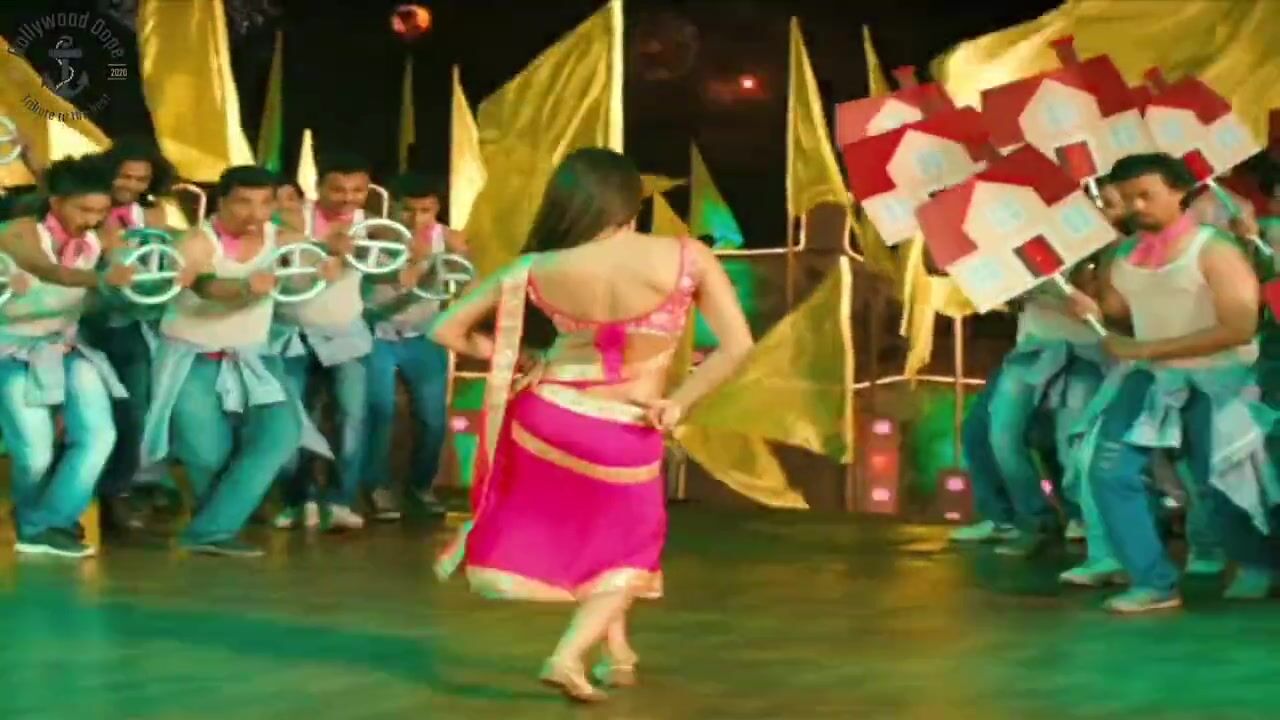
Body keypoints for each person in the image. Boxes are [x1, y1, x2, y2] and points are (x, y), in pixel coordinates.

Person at [430, 148, 754, 703]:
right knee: (631, 547)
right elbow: (737, 345)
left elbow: (445, 329)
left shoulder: (537, 266)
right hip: (623, 425)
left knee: (601, 536)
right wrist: (679, 403)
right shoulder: (685, 256)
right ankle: (568, 655)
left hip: (547, 416)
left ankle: (617, 651)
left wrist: (519, 358)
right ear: (632, 201)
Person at [1067, 152, 1279, 613]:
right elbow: (1119, 317)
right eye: (1126, 198)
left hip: (1218, 378)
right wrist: (1090, 305)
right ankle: (1153, 581)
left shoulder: (1215, 248)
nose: (1135, 206)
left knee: (1219, 480)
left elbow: (1239, 328)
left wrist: (1144, 349)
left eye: (1146, 195)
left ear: (1180, 192)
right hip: (1151, 378)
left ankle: (1257, 562)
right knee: (1107, 470)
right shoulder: (1122, 253)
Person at [141, 165, 336, 557]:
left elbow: (313, 263)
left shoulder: (281, 239)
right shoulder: (196, 243)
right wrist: (246, 287)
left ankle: (211, 530)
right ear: (222, 202)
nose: (255, 213)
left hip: (254, 357)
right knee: (207, 456)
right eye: (244, 202)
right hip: (192, 358)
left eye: (265, 203)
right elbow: (209, 287)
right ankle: (214, 531)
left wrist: (330, 263)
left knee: (281, 435)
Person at [952, 179, 1126, 556]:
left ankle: (1085, 521)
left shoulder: (1120, 250)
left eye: (1110, 204)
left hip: (1087, 355)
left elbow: (1122, 311)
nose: (1099, 210)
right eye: (1094, 201)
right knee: (998, 435)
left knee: (1069, 443)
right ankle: (1029, 518)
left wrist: (1091, 301)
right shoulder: (1036, 239)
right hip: (1033, 350)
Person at [0, 156, 135, 557]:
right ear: (56, 202)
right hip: (9, 350)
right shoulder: (19, 232)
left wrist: (137, 279)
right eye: (83, 209)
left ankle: (48, 523)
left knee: (98, 436)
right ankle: (36, 523)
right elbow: (49, 271)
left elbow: (117, 279)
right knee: (34, 454)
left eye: (100, 210)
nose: (92, 219)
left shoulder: (101, 236)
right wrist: (101, 277)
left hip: (65, 346)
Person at [270, 153, 373, 531]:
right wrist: (323, 244)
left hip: (345, 334)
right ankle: (299, 500)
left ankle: (341, 500)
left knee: (352, 420)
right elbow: (271, 241)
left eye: (357, 190)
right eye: (338, 189)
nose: (348, 198)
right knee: (293, 421)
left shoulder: (372, 226)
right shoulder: (292, 216)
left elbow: (393, 262)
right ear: (319, 188)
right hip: (290, 334)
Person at [87, 138, 182, 533]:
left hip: (135, 322)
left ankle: (121, 490)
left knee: (136, 408)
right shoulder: (88, 208)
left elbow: (168, 255)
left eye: (141, 179)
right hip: (86, 321)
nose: (132, 184)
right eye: (124, 175)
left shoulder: (153, 213)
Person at [362, 172, 467, 520]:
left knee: (433, 419)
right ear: (393, 207)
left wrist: (457, 264)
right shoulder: (374, 235)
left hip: (424, 337)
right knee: (380, 413)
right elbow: (385, 280)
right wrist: (417, 262)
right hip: (377, 334)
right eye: (408, 210)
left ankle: (421, 487)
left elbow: (468, 282)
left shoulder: (448, 239)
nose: (416, 219)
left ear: (436, 209)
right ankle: (377, 488)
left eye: (426, 210)